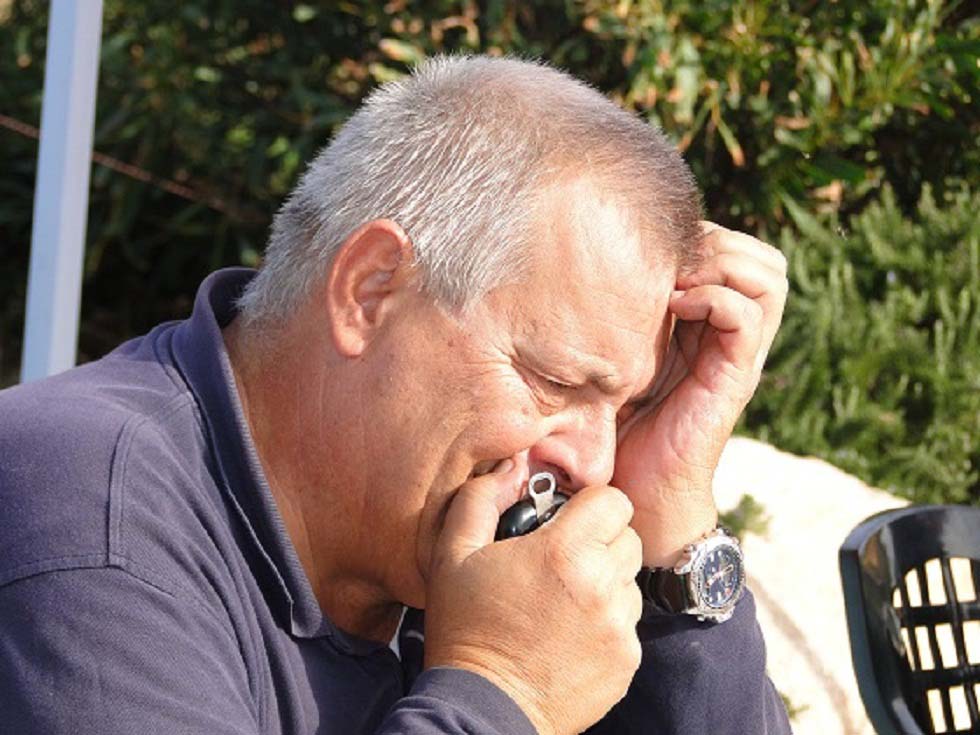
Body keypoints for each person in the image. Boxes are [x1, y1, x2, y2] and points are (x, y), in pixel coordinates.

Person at [0, 56, 791, 734]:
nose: (593, 462)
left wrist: (674, 530)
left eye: (625, 407)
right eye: (554, 381)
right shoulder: (87, 513)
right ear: (370, 290)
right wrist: (501, 688)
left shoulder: (445, 538)